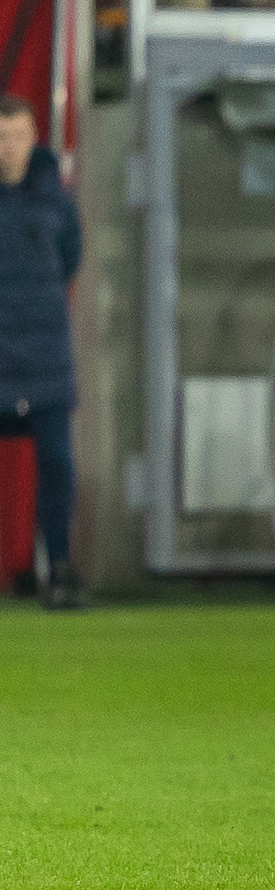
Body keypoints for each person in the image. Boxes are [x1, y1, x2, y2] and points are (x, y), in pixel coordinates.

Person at [0, 97, 84, 611]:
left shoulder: (56, 201)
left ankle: (59, 569)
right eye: (2, 137)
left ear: (34, 140)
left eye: (17, 136)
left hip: (46, 364)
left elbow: (70, 258)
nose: (9, 147)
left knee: (57, 462)